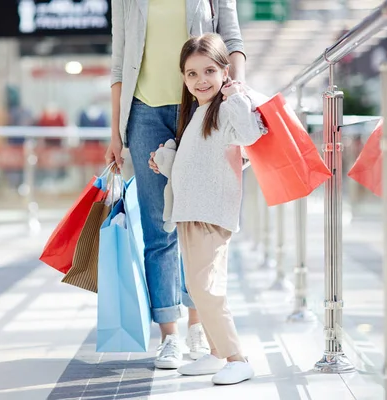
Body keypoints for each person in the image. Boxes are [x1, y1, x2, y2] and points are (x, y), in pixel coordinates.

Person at [106, 0, 247, 369]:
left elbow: (232, 39)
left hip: (201, 105)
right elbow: (120, 62)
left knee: (195, 219)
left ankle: (199, 328)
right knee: (158, 226)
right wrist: (115, 134)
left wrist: (237, 92)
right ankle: (169, 335)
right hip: (144, 112)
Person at [150, 33, 263, 385]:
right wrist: (166, 162)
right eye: (192, 74)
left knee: (206, 288)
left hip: (211, 212)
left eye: (209, 71)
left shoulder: (228, 107)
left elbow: (251, 136)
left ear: (225, 71)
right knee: (199, 287)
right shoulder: (198, 114)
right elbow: (197, 163)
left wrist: (236, 97)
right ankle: (216, 354)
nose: (201, 80)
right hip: (190, 211)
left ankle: (237, 357)